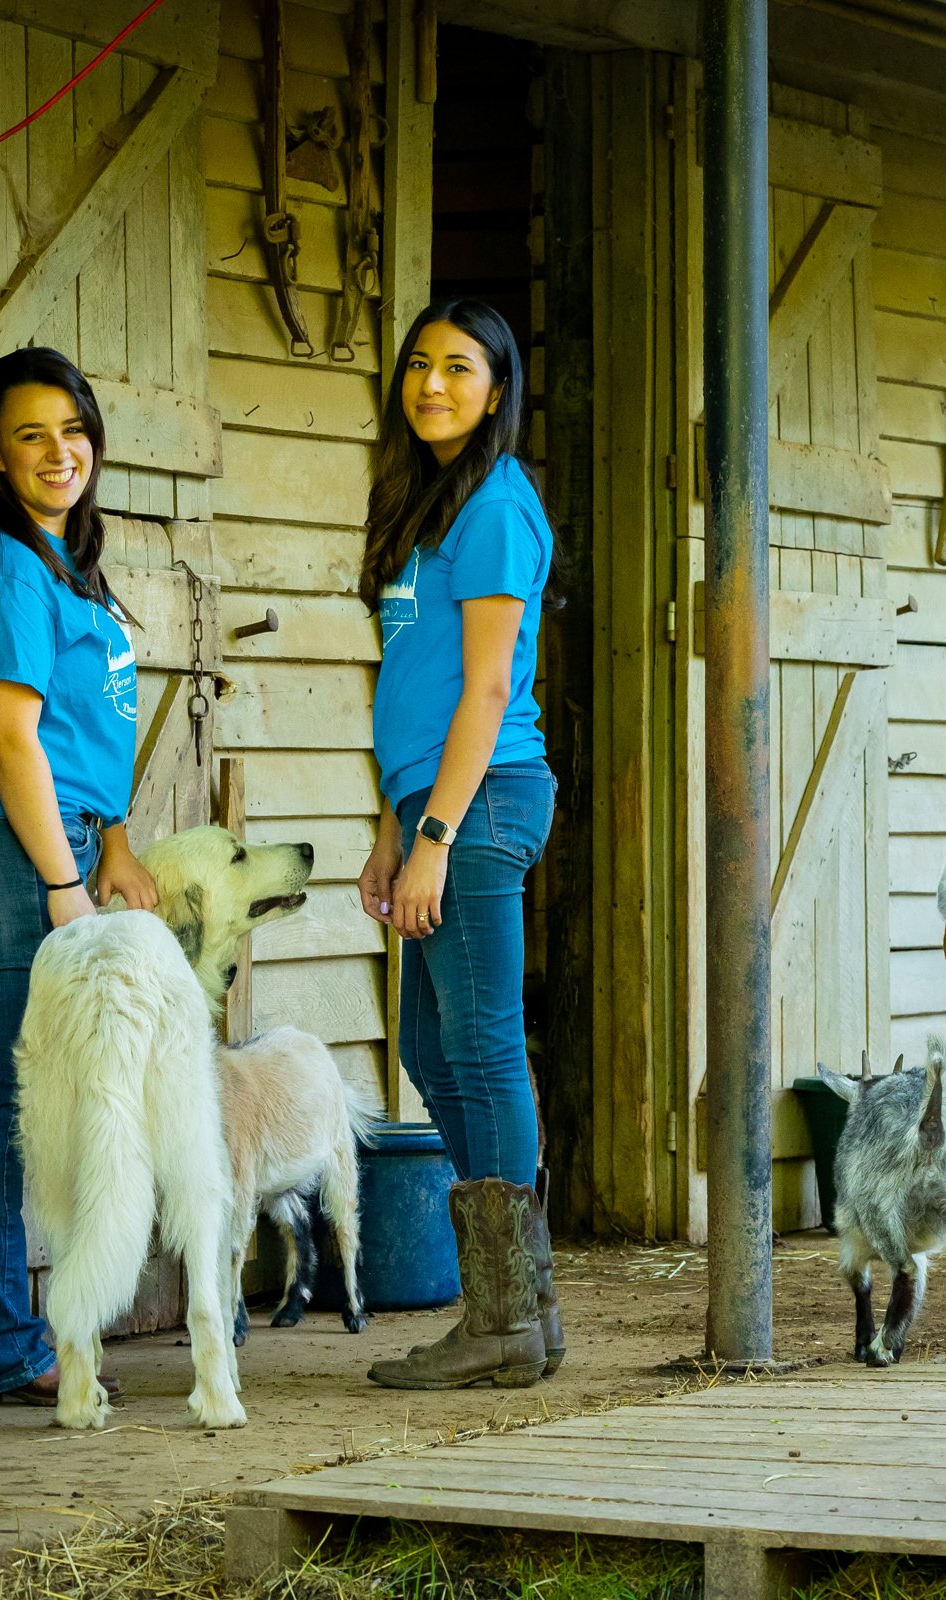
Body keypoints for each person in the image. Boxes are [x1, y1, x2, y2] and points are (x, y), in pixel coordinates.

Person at [0, 346, 157, 1405]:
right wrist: (62, 880)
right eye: (30, 436)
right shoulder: (6, 566)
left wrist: (112, 842)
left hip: (42, 843)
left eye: (73, 430)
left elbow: (77, 733)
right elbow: (13, 741)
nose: (60, 452)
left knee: (17, 1095)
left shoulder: (65, 564)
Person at [357, 301, 561, 1390]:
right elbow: (414, 684)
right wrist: (394, 830)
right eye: (420, 365)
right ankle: (523, 1301)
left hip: (478, 805)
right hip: (434, 809)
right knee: (437, 1053)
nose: (433, 382)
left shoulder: (493, 505)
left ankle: (498, 1320)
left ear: (497, 388)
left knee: (481, 1049)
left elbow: (486, 688)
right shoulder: (429, 503)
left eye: (461, 367)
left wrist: (434, 831)